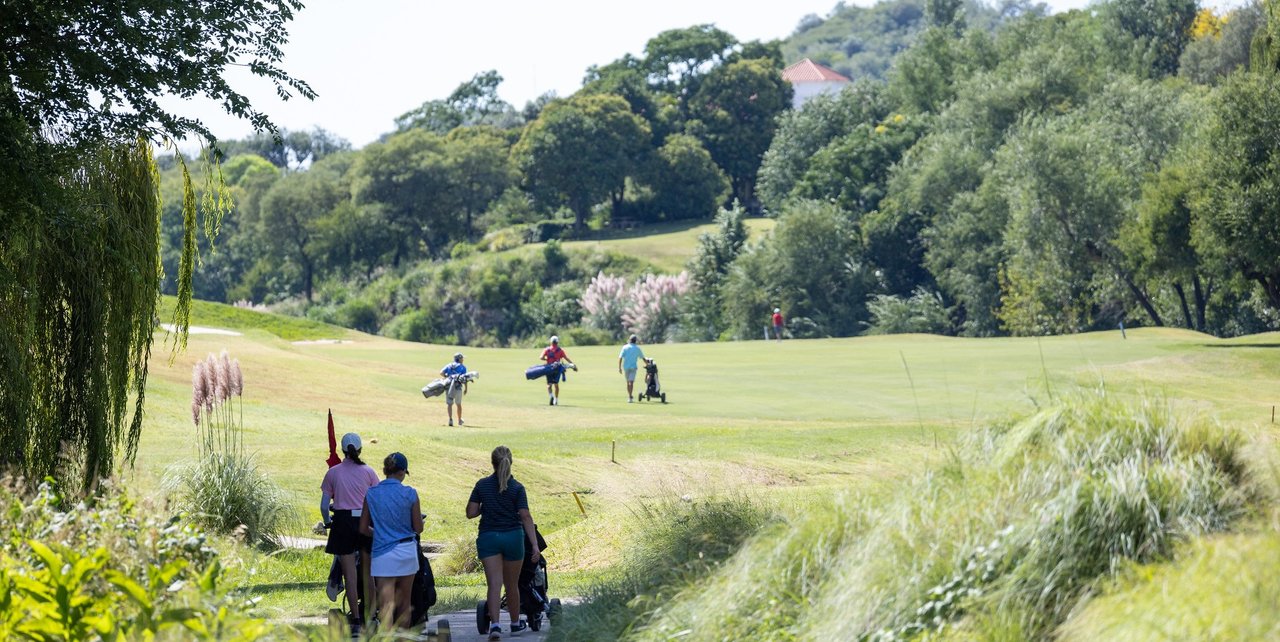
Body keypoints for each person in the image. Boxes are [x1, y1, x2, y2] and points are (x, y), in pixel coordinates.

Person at [467, 446, 541, 641]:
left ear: (492, 463)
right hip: (513, 538)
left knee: (494, 584)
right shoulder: (517, 488)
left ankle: (496, 626)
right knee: (512, 585)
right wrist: (534, 545)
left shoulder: (481, 485)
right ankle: (515, 624)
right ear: (511, 462)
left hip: (489, 538)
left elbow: (470, 513)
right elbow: (525, 516)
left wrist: (485, 506)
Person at [321, 433, 380, 633]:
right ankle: (371, 617)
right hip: (365, 521)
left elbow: (323, 506)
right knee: (368, 573)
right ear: (360, 449)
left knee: (350, 576)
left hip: (343, 522)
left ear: (343, 450)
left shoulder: (333, 473)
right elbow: (378, 500)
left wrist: (328, 522)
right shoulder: (369, 472)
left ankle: (355, 620)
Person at [359, 452, 423, 631]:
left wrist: (380, 533)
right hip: (406, 551)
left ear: (385, 471)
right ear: (402, 472)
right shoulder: (410, 493)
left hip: (383, 554)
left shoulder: (372, 493)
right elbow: (418, 528)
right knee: (405, 605)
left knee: (386, 606)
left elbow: (363, 528)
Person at [540, 335, 575, 406]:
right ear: (557, 342)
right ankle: (555, 400)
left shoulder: (547, 350)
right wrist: (573, 364)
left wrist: (547, 359)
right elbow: (566, 358)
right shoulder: (560, 350)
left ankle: (551, 396)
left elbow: (541, 357)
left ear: (551, 342)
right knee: (556, 385)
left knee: (549, 385)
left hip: (549, 368)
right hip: (557, 369)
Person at [440, 352, 468, 426]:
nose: (463, 359)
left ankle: (450, 420)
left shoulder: (449, 365)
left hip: (448, 387)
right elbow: (464, 378)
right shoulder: (463, 367)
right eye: (462, 358)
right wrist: (466, 388)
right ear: (459, 359)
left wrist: (447, 376)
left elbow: (441, 372)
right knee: (458, 404)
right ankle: (459, 420)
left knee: (449, 404)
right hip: (458, 387)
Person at [618, 334, 645, 403]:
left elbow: (620, 357)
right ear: (635, 341)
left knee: (628, 382)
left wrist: (619, 368)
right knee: (631, 382)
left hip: (626, 367)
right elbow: (642, 358)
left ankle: (630, 396)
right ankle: (630, 396)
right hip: (633, 367)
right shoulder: (637, 348)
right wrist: (647, 364)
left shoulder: (625, 347)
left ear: (630, 340)